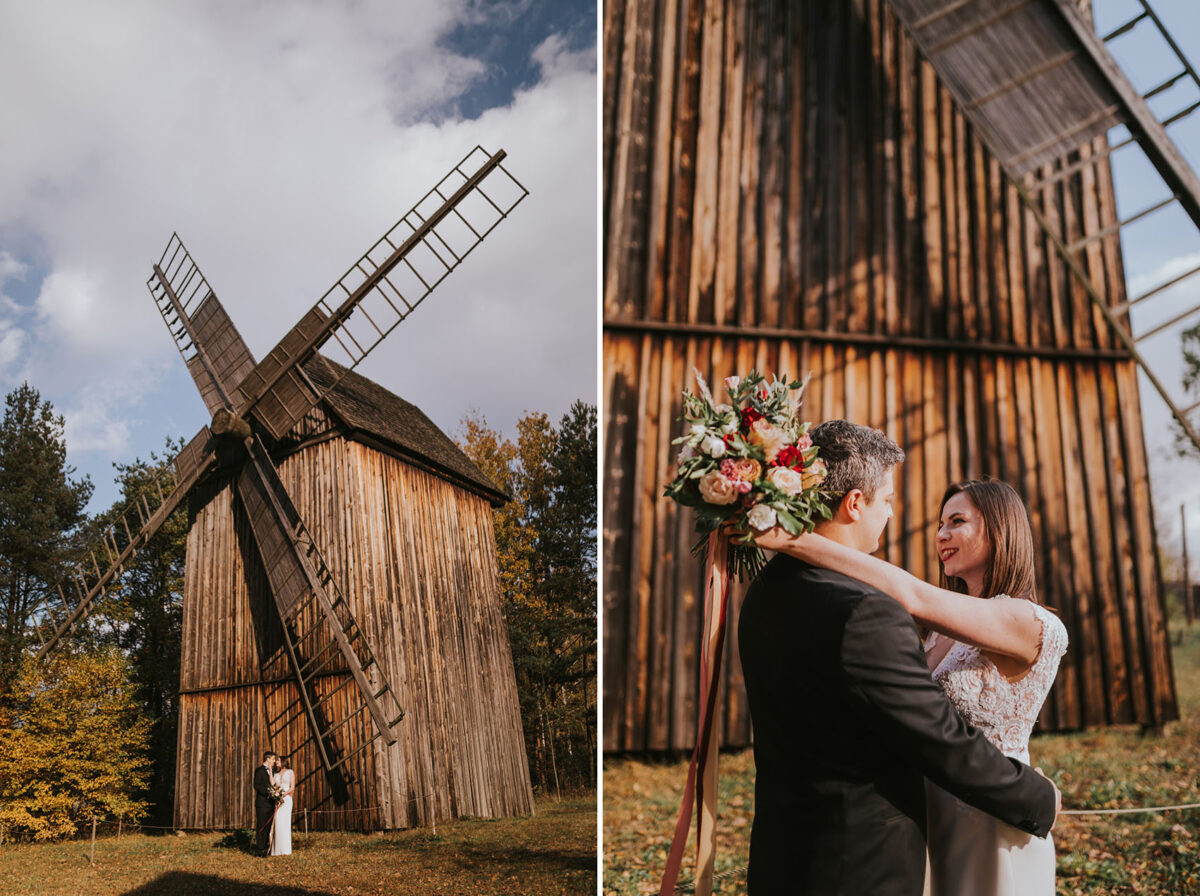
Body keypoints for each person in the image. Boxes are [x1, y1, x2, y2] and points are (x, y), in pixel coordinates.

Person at [736, 420, 1060, 896]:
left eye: (958, 521)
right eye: (940, 522)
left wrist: (794, 538)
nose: (940, 534)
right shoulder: (912, 626)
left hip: (992, 819)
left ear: (1001, 527)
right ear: (854, 503)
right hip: (920, 824)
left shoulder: (1026, 621)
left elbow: (912, 594)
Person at [252, 750, 277, 856]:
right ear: (268, 759)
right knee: (262, 826)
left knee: (269, 826)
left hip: (271, 803)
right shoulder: (259, 770)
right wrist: (268, 792)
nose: (274, 761)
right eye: (273, 759)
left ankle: (267, 847)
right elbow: (257, 785)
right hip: (262, 804)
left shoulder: (273, 771)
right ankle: (260, 849)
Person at [269, 754, 295, 856]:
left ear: (283, 761)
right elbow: (273, 784)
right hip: (278, 800)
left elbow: (292, 787)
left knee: (285, 823)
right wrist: (270, 771)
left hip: (287, 799)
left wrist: (282, 795)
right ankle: (277, 850)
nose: (276, 762)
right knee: (278, 822)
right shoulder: (276, 774)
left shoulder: (290, 772)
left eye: (278, 760)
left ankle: (285, 850)